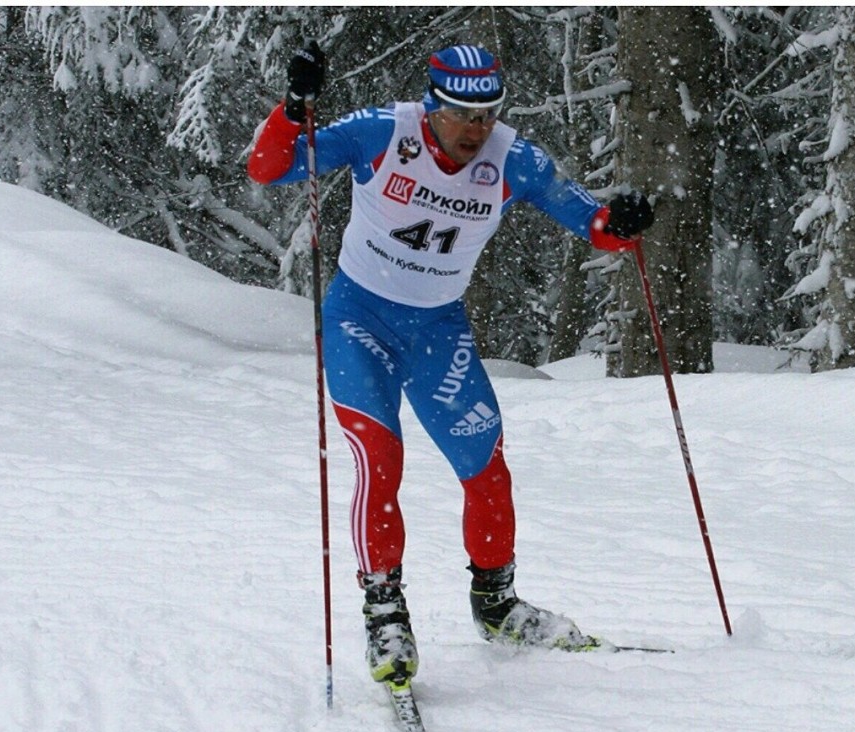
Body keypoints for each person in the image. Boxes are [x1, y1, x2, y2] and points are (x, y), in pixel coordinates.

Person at [248, 42, 654, 685]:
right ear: (432, 104)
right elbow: (269, 170)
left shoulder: (514, 159)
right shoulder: (383, 132)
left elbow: (595, 224)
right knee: (381, 463)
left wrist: (623, 219)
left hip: (436, 328)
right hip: (360, 320)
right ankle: (385, 614)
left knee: (486, 466)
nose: (476, 129)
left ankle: (496, 606)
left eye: (488, 113)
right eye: (463, 113)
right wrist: (294, 109)